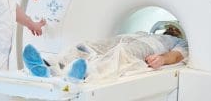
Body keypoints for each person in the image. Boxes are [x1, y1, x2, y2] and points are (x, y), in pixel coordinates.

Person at [23, 24, 188, 82]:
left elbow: (175, 56)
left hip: (137, 50)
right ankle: (48, 66)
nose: (171, 30)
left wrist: (161, 59)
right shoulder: (144, 32)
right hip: (122, 40)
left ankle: (81, 73)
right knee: (86, 46)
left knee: (118, 57)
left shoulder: (180, 42)